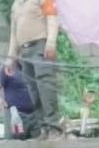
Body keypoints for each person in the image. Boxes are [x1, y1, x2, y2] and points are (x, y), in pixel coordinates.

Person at [7, 0, 60, 138]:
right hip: (24, 52)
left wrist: (51, 41)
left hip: (40, 46)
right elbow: (13, 33)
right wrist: (11, 58)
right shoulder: (16, 5)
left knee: (46, 86)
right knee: (33, 90)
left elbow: (52, 18)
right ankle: (43, 127)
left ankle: (54, 126)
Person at [0, 58, 35, 136]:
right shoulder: (8, 68)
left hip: (34, 116)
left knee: (36, 145)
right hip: (15, 115)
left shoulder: (33, 67)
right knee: (15, 143)